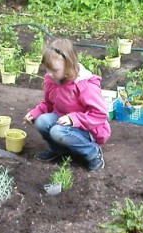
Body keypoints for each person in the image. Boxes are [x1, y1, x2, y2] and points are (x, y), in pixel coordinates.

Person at [24, 38, 111, 172]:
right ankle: (58, 150)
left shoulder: (84, 85)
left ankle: (93, 153)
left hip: (89, 129)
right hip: (63, 121)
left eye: (54, 70)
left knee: (57, 131)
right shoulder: (52, 79)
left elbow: (100, 114)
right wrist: (36, 112)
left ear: (69, 66)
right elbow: (48, 103)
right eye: (47, 69)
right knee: (41, 121)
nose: (49, 73)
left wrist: (73, 119)